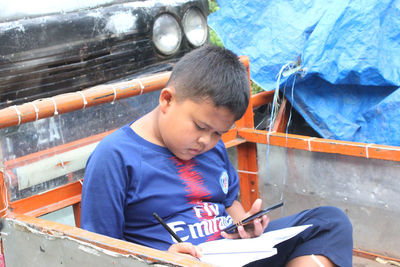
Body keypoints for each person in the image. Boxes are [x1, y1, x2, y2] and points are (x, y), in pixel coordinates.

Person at [81, 45, 353, 267]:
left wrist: (245, 225)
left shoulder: (211, 147)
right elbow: (98, 253)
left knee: (329, 222)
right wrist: (160, 260)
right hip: (178, 262)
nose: (206, 141)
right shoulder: (115, 157)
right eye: (200, 127)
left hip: (232, 253)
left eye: (218, 133)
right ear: (166, 100)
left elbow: (228, 203)